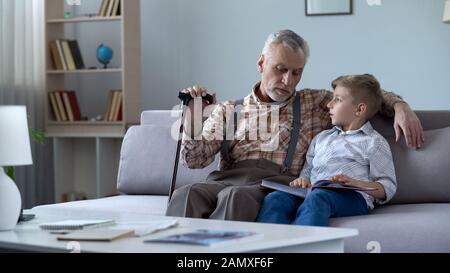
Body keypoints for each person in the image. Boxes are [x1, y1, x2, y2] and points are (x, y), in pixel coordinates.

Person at [166, 29, 424, 222]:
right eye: (280, 69)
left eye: (296, 72)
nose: (288, 81)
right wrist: (192, 119)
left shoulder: (316, 102)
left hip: (271, 184)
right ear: (261, 64)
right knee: (186, 194)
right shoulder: (228, 110)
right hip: (225, 179)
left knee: (235, 197)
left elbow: (363, 96)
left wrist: (400, 106)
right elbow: (194, 160)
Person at [257, 74, 395, 226]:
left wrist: (355, 183)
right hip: (312, 192)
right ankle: (268, 247)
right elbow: (308, 170)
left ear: (359, 109)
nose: (329, 104)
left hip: (352, 197)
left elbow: (387, 186)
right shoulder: (322, 138)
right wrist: (303, 181)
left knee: (318, 198)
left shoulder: (374, 142)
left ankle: (305, 248)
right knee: (275, 198)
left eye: (338, 99)